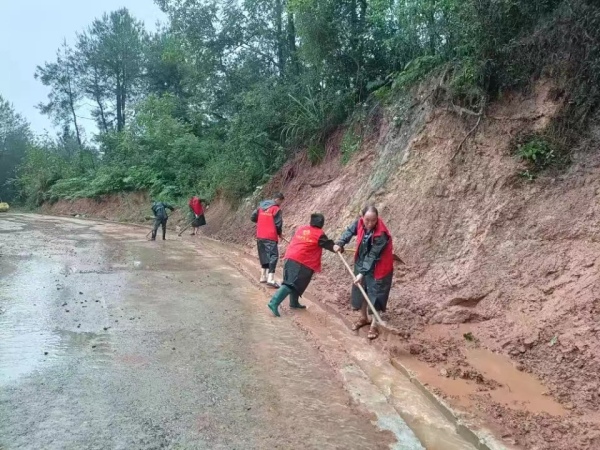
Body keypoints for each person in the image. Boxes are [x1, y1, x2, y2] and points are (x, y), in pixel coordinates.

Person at [336, 206, 393, 340]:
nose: (369, 224)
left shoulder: (381, 234)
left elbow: (373, 255)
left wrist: (361, 273)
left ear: (377, 219)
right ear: (362, 217)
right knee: (361, 290)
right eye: (367, 220)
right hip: (362, 261)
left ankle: (374, 324)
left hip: (379, 265)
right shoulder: (360, 223)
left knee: (376, 293)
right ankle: (363, 318)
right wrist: (340, 242)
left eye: (373, 221)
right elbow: (350, 231)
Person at [267, 213, 341, 317]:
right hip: (300, 260)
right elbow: (329, 245)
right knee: (290, 283)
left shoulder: (302, 229)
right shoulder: (319, 234)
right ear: (322, 223)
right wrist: (338, 248)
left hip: (290, 257)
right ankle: (273, 302)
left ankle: (294, 302)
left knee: (296, 282)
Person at [251, 192, 284, 288]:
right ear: (278, 199)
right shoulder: (276, 209)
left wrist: (262, 221)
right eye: (281, 201)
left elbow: (253, 217)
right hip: (270, 236)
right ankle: (271, 278)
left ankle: (263, 277)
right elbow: (278, 224)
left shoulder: (260, 207)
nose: (280, 204)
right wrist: (280, 233)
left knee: (263, 255)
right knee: (273, 256)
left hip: (260, 235)